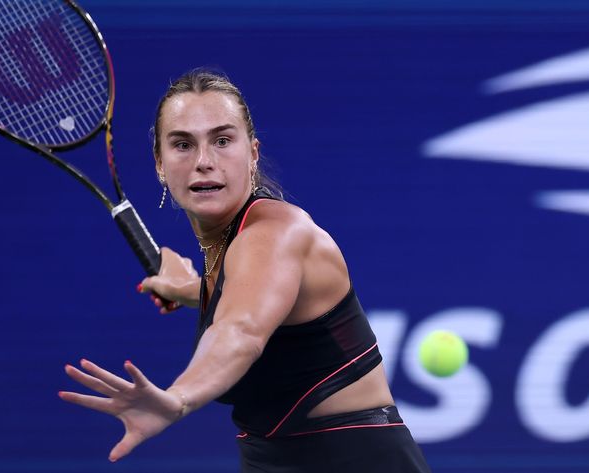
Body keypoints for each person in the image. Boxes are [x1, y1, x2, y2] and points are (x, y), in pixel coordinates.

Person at [58, 69, 431, 472]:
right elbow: (248, 294)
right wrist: (191, 289)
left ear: (252, 154)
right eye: (183, 144)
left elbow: (241, 329)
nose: (204, 162)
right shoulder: (228, 247)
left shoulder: (274, 232)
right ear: (160, 165)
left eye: (222, 140)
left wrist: (179, 397)